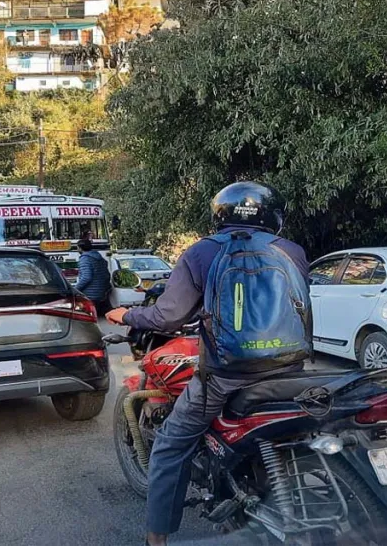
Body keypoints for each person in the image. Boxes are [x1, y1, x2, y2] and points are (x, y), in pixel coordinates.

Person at [105, 181, 312, 546]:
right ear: (273, 216)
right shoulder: (291, 250)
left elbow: (168, 317)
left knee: (171, 444)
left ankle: (156, 540)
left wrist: (128, 315)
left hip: (226, 377)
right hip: (290, 370)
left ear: (219, 215)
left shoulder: (202, 252)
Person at [74, 237, 111, 316]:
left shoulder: (85, 259)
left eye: (77, 247)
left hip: (90, 294)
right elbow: (107, 275)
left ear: (80, 248)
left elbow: (86, 277)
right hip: (101, 293)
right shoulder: (99, 257)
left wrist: (75, 289)